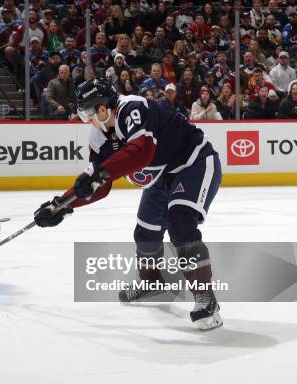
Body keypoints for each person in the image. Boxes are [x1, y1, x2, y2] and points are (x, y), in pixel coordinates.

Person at [33, 78, 223, 330]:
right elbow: (97, 186)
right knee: (145, 231)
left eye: (88, 113)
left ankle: (205, 297)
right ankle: (151, 282)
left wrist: (100, 174)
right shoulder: (99, 135)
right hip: (160, 177)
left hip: (193, 163)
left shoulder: (131, 108)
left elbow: (141, 151)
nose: (87, 119)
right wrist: (61, 205)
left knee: (181, 223)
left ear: (102, 109)